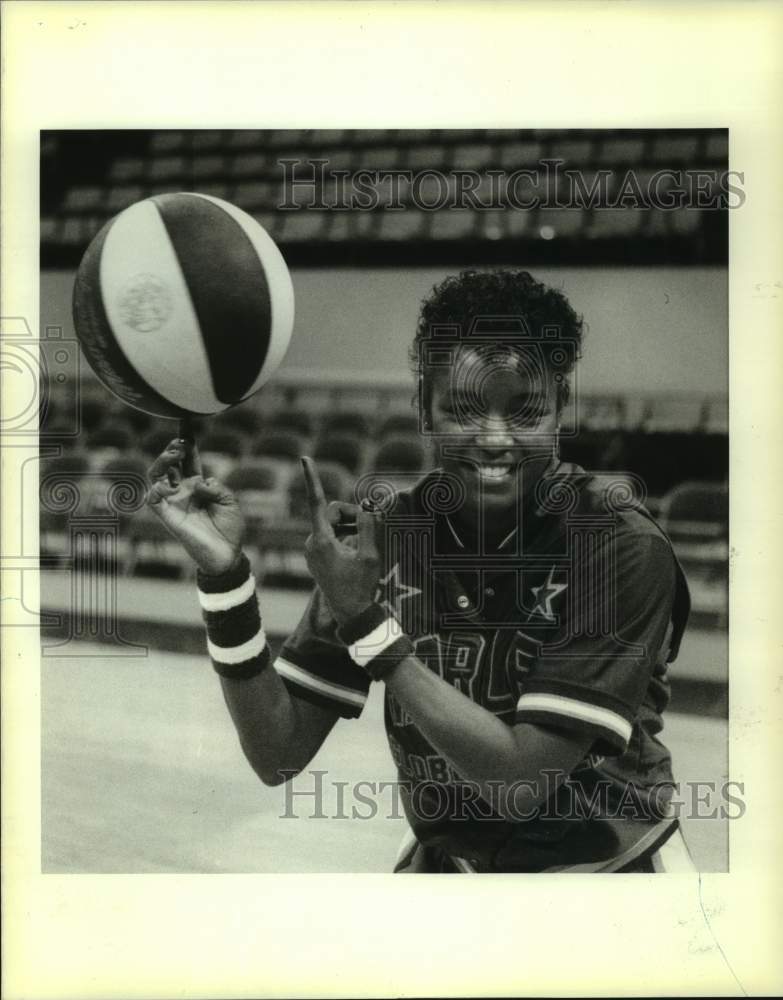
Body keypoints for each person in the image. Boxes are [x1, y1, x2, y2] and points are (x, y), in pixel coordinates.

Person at [146, 269, 695, 873]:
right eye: (462, 410)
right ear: (423, 409)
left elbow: (520, 784)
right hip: (454, 861)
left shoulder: (618, 544)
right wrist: (226, 581)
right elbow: (276, 751)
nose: (493, 439)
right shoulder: (385, 539)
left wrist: (369, 626)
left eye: (526, 412)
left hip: (608, 873)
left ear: (563, 409)